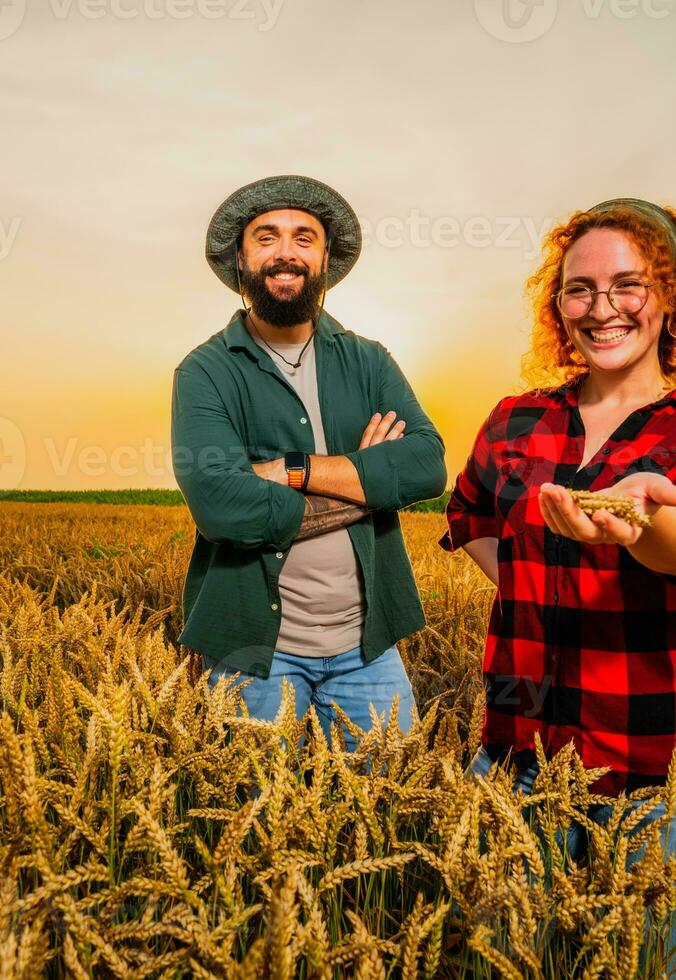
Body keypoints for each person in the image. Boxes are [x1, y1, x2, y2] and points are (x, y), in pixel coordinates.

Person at [440, 198, 676, 975]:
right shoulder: (516, 420)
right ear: (558, 306)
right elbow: (471, 511)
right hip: (521, 753)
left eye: (629, 285)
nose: (602, 308)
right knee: (513, 959)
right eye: (579, 289)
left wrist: (641, 523)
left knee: (667, 966)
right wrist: (529, 573)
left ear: (673, 296)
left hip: (666, 769)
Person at [172, 174, 447, 751]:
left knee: (389, 811)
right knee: (254, 825)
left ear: (325, 258)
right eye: (266, 237)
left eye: (304, 237)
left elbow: (424, 465)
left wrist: (295, 468)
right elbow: (222, 507)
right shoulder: (205, 372)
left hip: (368, 652)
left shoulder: (369, 361)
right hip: (255, 655)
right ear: (241, 260)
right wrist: (368, 479)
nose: (286, 252)